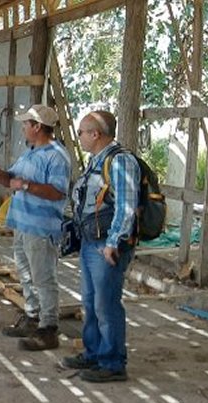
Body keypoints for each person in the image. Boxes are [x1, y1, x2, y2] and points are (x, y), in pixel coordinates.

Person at [0, 104, 71, 350]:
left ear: (37, 127)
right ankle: (32, 317)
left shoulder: (56, 156)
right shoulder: (31, 153)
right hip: (23, 225)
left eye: (26, 123)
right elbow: (11, 179)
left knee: (43, 277)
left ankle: (49, 328)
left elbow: (57, 192)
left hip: (41, 227)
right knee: (26, 274)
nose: (22, 127)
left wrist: (25, 186)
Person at [61, 110, 137, 382]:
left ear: (96, 134)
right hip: (91, 243)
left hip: (107, 245)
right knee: (91, 302)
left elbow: (126, 208)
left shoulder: (120, 162)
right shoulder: (96, 161)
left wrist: (114, 242)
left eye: (82, 131)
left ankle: (113, 362)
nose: (79, 136)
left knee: (106, 304)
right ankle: (94, 353)